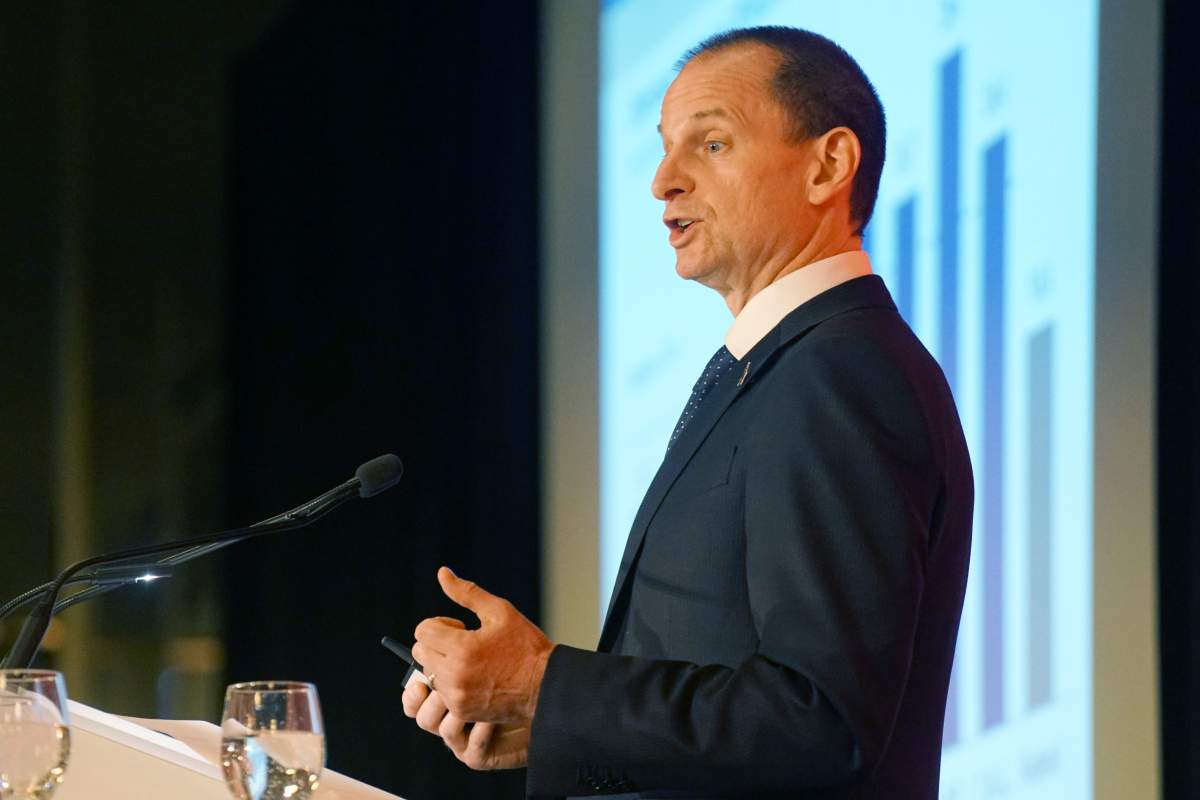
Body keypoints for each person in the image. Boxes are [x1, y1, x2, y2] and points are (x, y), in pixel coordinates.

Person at [402, 26, 973, 799]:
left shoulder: (840, 371)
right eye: (666, 147)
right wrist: (551, 728)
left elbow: (822, 723)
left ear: (827, 165)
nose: (663, 181)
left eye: (710, 145)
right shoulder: (777, 371)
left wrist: (547, 687)